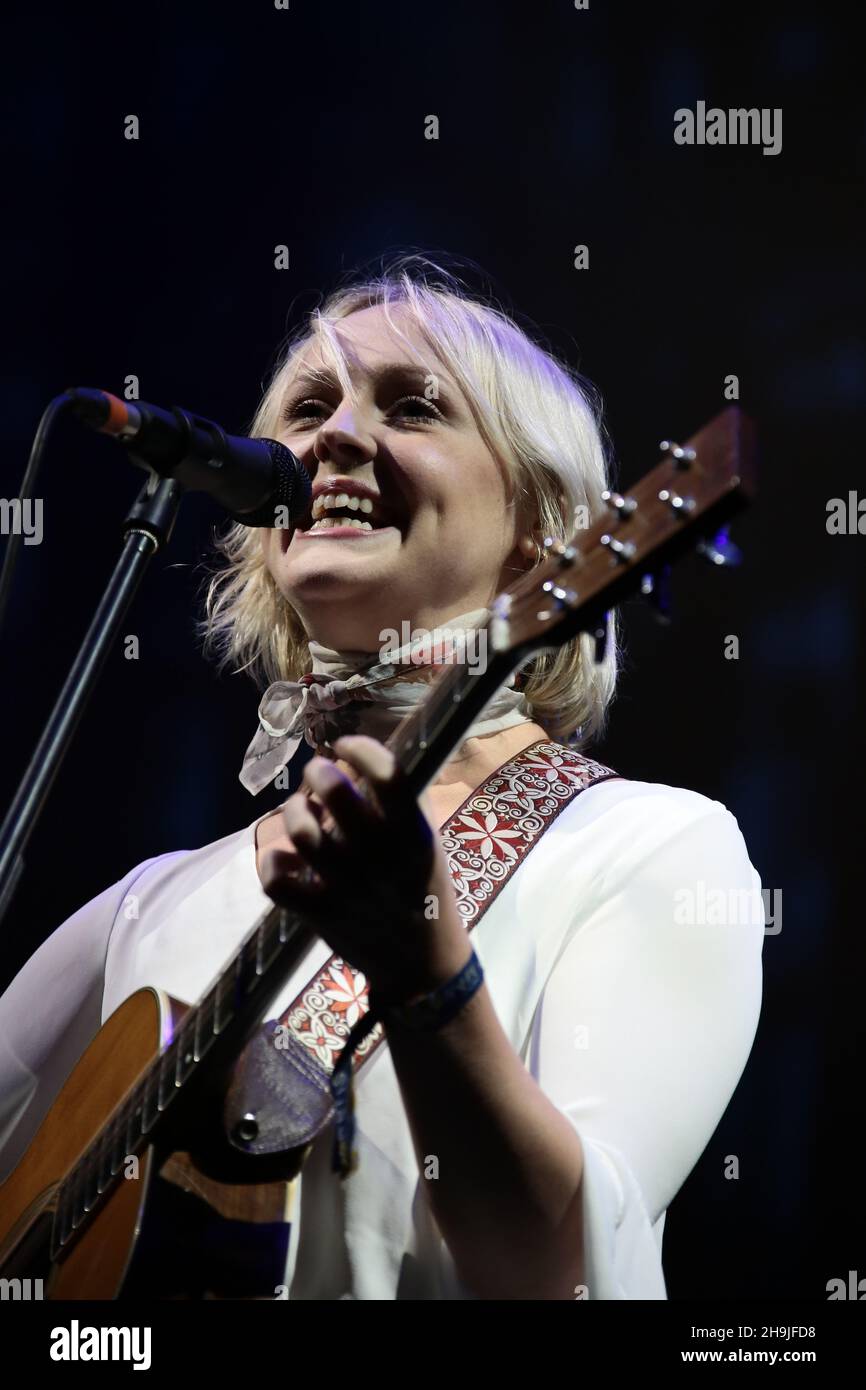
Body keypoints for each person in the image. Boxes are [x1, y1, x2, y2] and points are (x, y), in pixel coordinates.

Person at [0, 257, 763, 1300]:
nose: (336, 438)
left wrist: (426, 976)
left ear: (543, 533)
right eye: (309, 406)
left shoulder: (649, 848)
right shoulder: (151, 904)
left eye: (413, 407)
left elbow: (565, 1271)